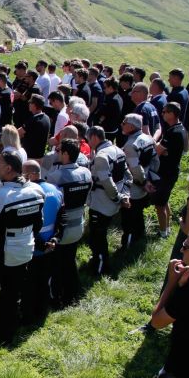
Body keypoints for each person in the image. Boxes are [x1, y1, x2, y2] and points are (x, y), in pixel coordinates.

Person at [0, 150, 44, 345]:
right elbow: (38, 224)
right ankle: (6, 336)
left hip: (0, 253)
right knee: (11, 295)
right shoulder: (36, 191)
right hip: (24, 249)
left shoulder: (2, 195)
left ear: (8, 168)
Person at [148, 228, 189, 378]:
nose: (181, 250)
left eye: (185, 246)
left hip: (184, 373)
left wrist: (172, 282)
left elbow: (157, 322)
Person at [45, 139, 93, 307]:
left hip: (61, 229)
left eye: (60, 151)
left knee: (56, 264)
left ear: (65, 154)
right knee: (70, 260)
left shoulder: (55, 176)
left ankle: (56, 298)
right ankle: (72, 295)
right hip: (78, 224)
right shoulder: (86, 173)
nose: (58, 153)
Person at [86, 125, 131, 276]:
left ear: (94, 137)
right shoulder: (118, 150)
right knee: (100, 233)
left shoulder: (101, 156)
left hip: (102, 203)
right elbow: (127, 175)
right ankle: (98, 259)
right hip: (112, 202)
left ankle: (100, 266)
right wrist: (124, 195)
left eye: (88, 139)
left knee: (97, 236)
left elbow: (106, 182)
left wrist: (117, 197)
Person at [22, 160, 62, 321]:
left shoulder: (29, 193)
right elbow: (61, 217)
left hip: (33, 246)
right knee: (44, 280)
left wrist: (40, 243)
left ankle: (27, 315)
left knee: (29, 283)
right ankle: (42, 311)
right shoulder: (55, 190)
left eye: (23, 174)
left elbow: (29, 223)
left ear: (30, 175)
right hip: (51, 246)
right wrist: (55, 239)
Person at [120, 114, 157, 247]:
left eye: (124, 123)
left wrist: (143, 182)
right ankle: (140, 236)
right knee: (138, 213)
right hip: (146, 182)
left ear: (131, 126)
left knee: (128, 218)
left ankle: (127, 246)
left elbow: (134, 168)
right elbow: (155, 161)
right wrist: (150, 179)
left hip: (135, 186)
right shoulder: (148, 138)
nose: (121, 124)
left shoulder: (131, 145)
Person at [154, 103, 188, 239]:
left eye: (164, 112)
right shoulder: (181, 128)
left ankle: (162, 233)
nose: (162, 114)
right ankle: (167, 228)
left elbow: (157, 151)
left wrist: (155, 144)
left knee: (159, 205)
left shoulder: (172, 132)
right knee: (165, 200)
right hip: (172, 170)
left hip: (166, 173)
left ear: (172, 114)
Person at [18, 94, 50, 161]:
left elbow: (18, 133)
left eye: (30, 103)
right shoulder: (46, 118)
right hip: (40, 156)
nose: (29, 104)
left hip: (30, 157)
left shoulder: (34, 119)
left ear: (35, 105)